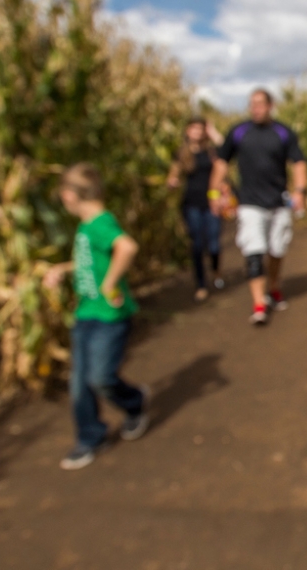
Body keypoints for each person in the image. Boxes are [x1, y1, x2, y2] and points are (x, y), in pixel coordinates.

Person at [43, 163, 150, 470]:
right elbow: (89, 261)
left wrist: (110, 282)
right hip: (86, 313)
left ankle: (134, 402)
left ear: (70, 196)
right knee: (79, 382)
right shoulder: (88, 227)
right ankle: (91, 437)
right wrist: (62, 270)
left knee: (100, 378)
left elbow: (127, 247)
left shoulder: (101, 223)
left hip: (109, 316)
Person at [210, 88, 307, 326]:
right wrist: (213, 193)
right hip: (249, 204)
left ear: (270, 106)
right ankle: (259, 305)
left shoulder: (283, 133)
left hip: (278, 203)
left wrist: (300, 191)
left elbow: (299, 162)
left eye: (260, 104)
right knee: (254, 253)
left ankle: (273, 286)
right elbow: (222, 163)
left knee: (276, 250)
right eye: (252, 104)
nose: (256, 108)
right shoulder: (239, 131)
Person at [167, 117, 225, 301]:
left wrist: (214, 133)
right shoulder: (181, 153)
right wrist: (172, 182)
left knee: (214, 242)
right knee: (197, 244)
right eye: (194, 129)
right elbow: (173, 174)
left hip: (212, 201)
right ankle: (200, 284)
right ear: (187, 131)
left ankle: (216, 271)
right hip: (191, 202)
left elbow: (228, 150)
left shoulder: (211, 152)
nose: (198, 132)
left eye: (201, 129)